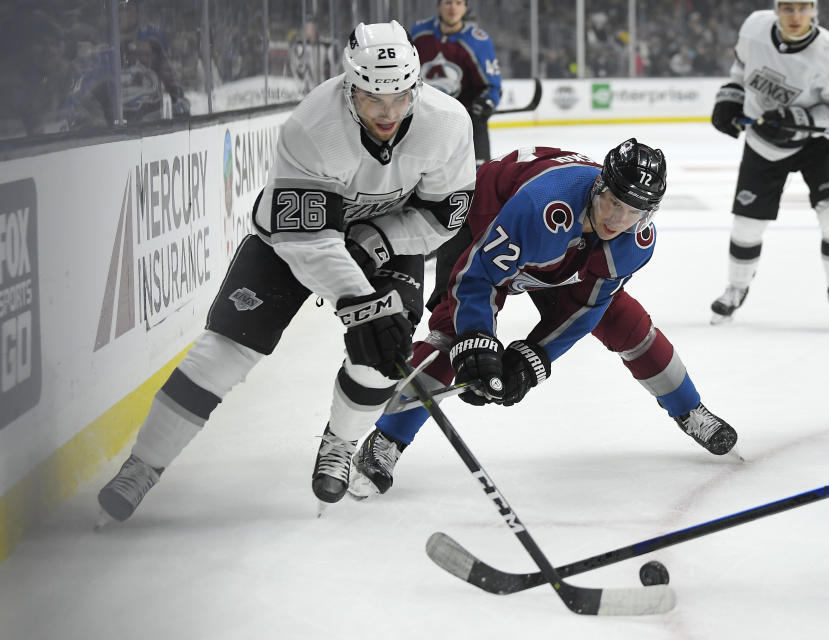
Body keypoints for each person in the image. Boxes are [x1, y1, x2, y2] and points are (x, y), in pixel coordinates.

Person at [96, 21, 477, 524]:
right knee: (223, 352)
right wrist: (359, 303)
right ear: (349, 87)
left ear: (417, 86)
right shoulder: (312, 127)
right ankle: (141, 466)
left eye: (401, 98)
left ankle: (340, 443)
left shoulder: (447, 122)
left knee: (384, 354)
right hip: (293, 238)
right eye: (372, 99)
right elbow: (306, 240)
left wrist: (379, 243)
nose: (388, 113)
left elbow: (442, 215)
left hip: (389, 238)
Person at [347, 140, 740, 499]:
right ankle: (387, 439)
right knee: (452, 338)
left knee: (625, 322)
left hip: (558, 248)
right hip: (487, 223)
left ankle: (690, 409)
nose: (618, 220)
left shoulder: (635, 242)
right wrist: (477, 340)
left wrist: (533, 358)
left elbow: (586, 309)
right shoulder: (542, 206)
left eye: (633, 211)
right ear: (599, 188)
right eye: (614, 203)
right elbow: (480, 278)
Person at [708, 0, 829, 330]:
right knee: (746, 226)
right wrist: (731, 95)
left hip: (818, 145)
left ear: (814, 11)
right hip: (765, 143)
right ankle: (735, 288)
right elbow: (740, 68)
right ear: (777, 9)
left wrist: (800, 119)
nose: (795, 16)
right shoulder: (753, 28)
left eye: (802, 8)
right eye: (787, 8)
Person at [411, 0, 502, 167]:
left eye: (459, 3)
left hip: (468, 121)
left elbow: (492, 87)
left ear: (465, 7)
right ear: (438, 6)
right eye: (448, 2)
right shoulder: (419, 33)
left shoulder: (477, 41)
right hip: (425, 119)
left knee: (478, 178)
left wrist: (485, 104)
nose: (453, 8)